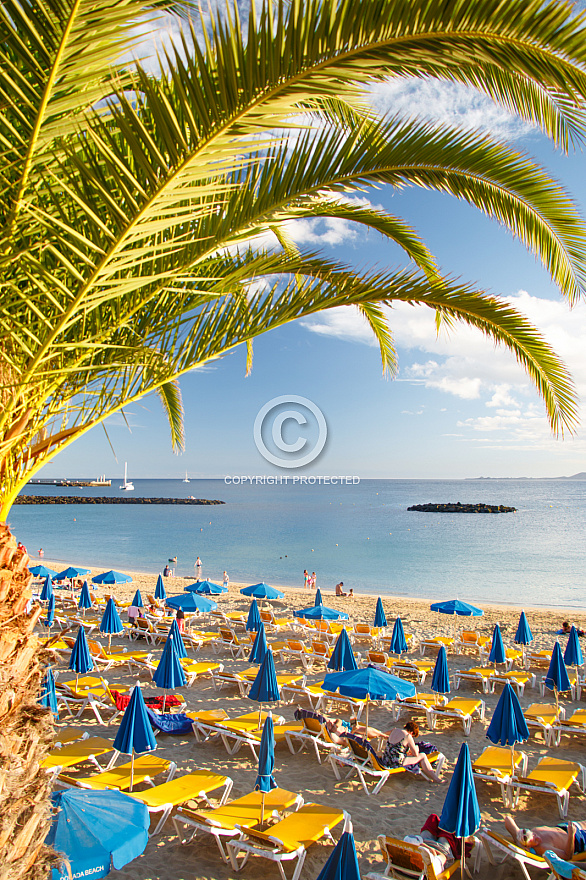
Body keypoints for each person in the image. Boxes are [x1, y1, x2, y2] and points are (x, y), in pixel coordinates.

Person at [379, 721, 444, 783]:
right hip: (396, 762)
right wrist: (416, 748)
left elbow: (385, 736)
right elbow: (415, 754)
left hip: (386, 759)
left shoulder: (394, 730)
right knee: (422, 755)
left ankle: (435, 778)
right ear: (412, 732)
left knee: (410, 755)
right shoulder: (408, 736)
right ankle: (436, 779)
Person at [505, 815, 586, 859]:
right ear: (529, 846)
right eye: (535, 841)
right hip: (578, 839)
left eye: (534, 835)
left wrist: (517, 839)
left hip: (564, 827)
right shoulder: (543, 848)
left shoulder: (528, 834)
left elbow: (507, 819)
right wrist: (571, 835)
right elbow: (567, 856)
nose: (538, 838)